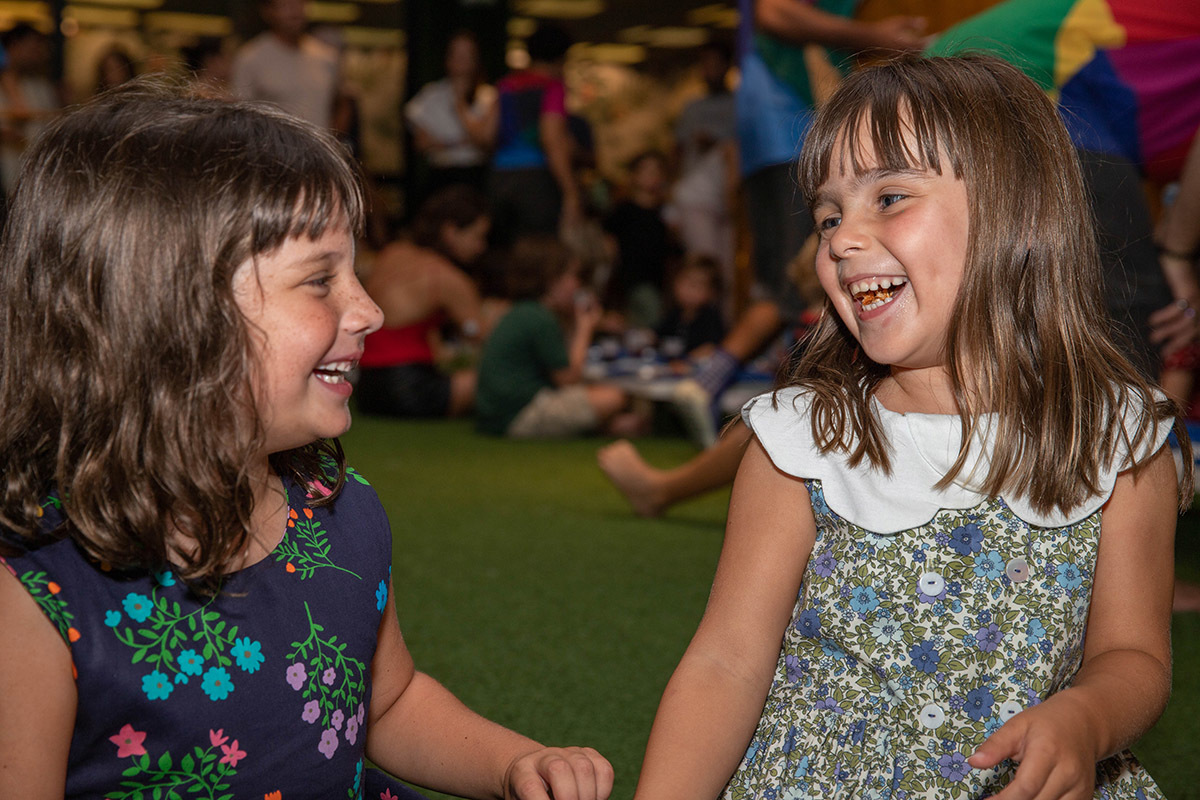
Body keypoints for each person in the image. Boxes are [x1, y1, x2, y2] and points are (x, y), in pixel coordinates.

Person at [0, 83, 613, 800]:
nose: (371, 309)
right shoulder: (36, 587)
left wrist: (513, 765)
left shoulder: (339, 511)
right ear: (170, 319)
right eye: (321, 280)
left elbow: (389, 701)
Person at [633, 55, 1188, 799]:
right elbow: (725, 663)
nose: (839, 239)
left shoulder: (1120, 441)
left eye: (889, 197)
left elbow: (1134, 655)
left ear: (1016, 211)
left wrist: (1087, 718)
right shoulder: (803, 442)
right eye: (829, 215)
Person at [476, 235, 643, 439]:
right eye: (572, 276)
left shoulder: (523, 311)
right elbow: (569, 378)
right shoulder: (538, 317)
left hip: (498, 414)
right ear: (550, 279)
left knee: (618, 413)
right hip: (517, 415)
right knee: (615, 396)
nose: (577, 284)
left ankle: (606, 427)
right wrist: (584, 327)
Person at [358, 185, 491, 419]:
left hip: (367, 387)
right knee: (499, 378)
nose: (481, 247)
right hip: (411, 389)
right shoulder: (446, 276)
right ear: (450, 232)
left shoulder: (392, 252)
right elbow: (481, 334)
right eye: (477, 236)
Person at [486, 21, 580, 246]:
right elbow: (551, 139)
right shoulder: (552, 87)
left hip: (499, 178)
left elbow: (487, 134)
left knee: (504, 251)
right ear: (562, 57)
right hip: (536, 181)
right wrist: (571, 192)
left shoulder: (506, 85)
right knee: (541, 253)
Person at [405, 30, 496, 201]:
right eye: (457, 53)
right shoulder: (430, 96)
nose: (461, 60)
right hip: (441, 176)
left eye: (467, 54)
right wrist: (460, 142)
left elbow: (484, 141)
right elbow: (422, 143)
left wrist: (460, 104)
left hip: (475, 176)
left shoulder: (489, 97)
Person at [232, 0, 338, 130]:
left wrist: (334, 140)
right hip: (273, 148)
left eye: (300, 3)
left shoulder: (327, 56)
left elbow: (341, 102)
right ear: (268, 12)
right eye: (285, 5)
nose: (294, 11)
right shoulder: (250, 58)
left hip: (319, 147)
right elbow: (240, 115)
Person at [603, 150, 680, 328]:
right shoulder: (623, 210)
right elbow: (610, 243)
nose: (652, 176)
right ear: (634, 175)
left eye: (657, 171)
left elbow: (674, 247)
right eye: (646, 171)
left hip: (661, 278)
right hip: (632, 277)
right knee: (647, 314)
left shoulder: (666, 212)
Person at [0, 23, 59, 194]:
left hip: (34, 181)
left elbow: (51, 127)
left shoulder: (41, 87)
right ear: (14, 46)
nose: (38, 55)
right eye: (32, 48)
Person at [655, 254, 727, 362]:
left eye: (695, 286)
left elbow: (713, 348)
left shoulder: (711, 318)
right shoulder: (675, 314)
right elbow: (657, 334)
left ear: (712, 292)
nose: (688, 291)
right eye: (684, 283)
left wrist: (688, 359)